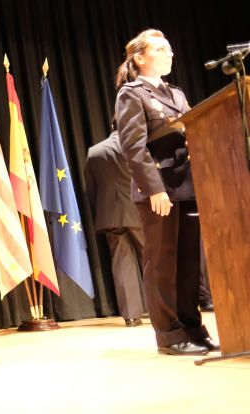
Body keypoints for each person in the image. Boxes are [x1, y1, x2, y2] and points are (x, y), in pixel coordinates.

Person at [113, 29, 217, 356]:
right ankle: (169, 336)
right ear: (140, 58)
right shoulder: (132, 94)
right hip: (159, 189)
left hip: (186, 185)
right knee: (163, 264)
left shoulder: (177, 94)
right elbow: (133, 146)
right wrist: (154, 189)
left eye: (170, 49)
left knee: (188, 264)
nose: (169, 54)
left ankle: (193, 329)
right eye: (160, 49)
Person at [84, 128, 146, 326]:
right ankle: (163, 311)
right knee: (153, 261)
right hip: (138, 210)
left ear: (111, 128)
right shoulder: (136, 145)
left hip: (109, 213)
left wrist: (100, 210)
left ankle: (131, 316)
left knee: (121, 261)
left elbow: (91, 187)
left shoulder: (94, 152)